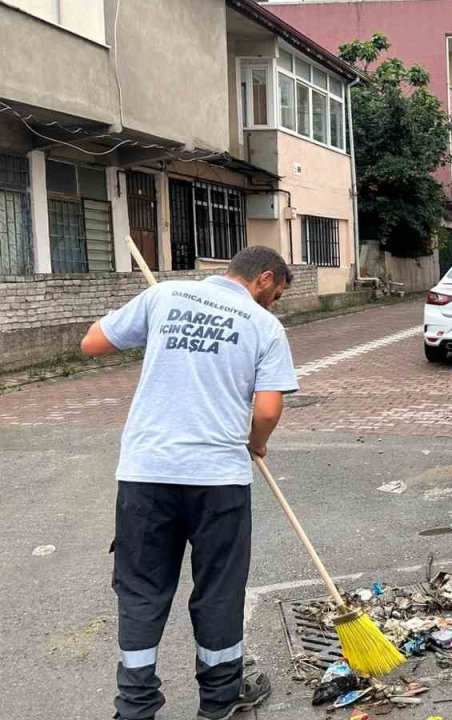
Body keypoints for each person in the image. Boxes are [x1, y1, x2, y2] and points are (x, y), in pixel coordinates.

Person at [80, 246, 299, 720]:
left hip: (145, 473)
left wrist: (159, 332)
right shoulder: (265, 327)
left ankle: (135, 706)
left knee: (141, 589)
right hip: (217, 479)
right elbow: (266, 410)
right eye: (276, 295)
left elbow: (92, 343)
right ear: (263, 279)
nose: (273, 305)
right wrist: (257, 443)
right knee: (219, 587)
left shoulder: (166, 296)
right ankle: (219, 700)